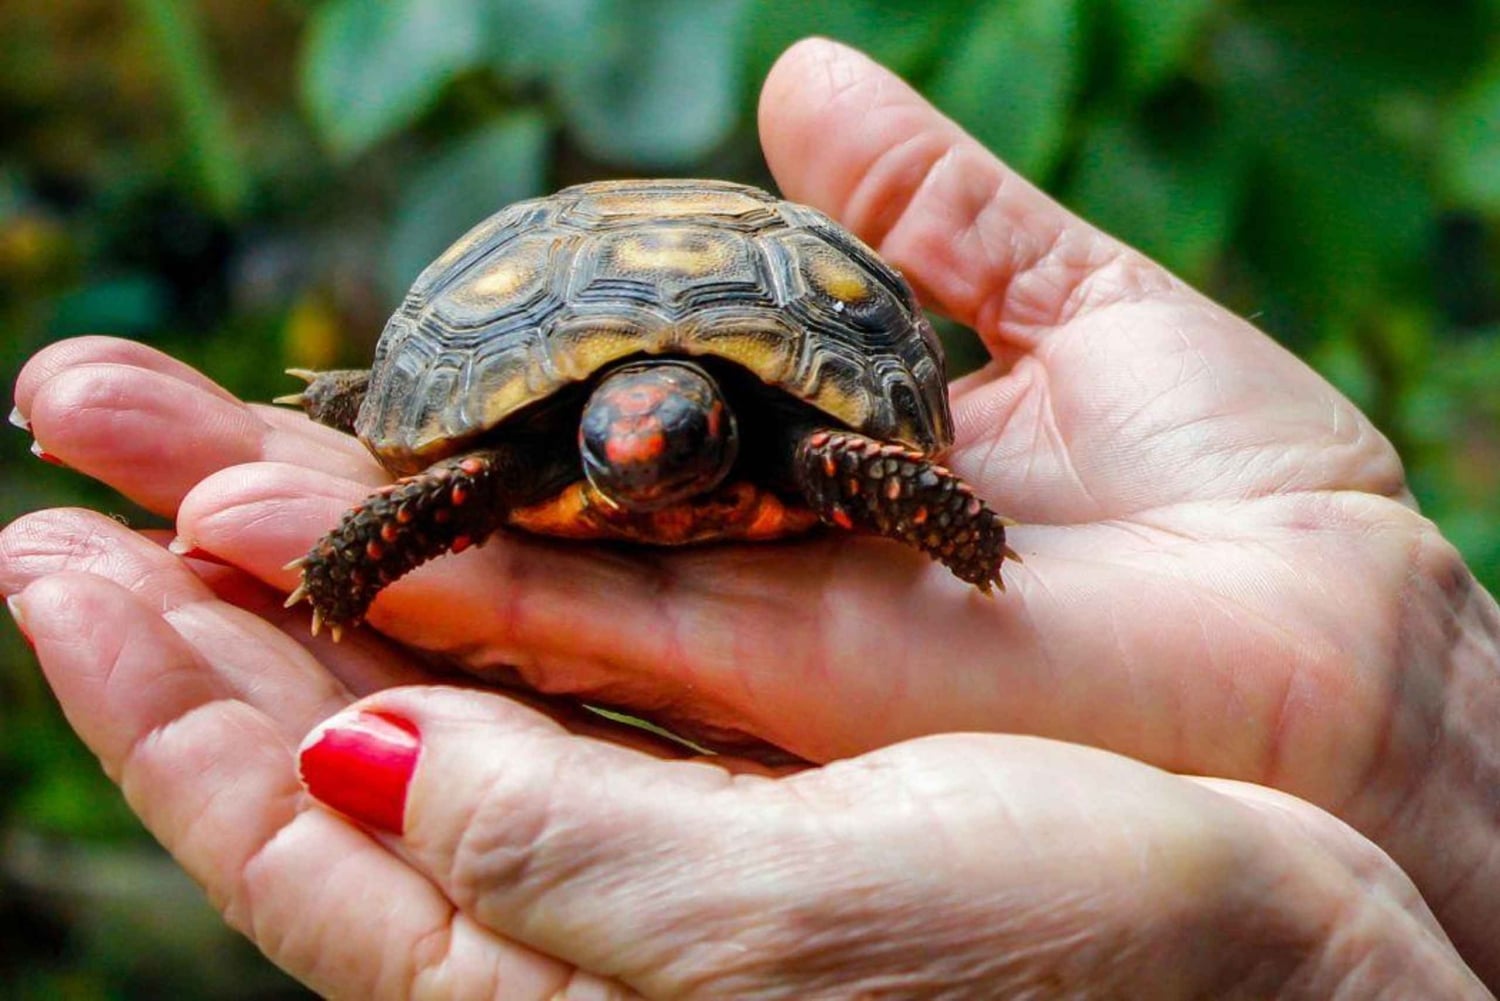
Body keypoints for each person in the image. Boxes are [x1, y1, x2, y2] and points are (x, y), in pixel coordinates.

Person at [4, 38, 1498, 998]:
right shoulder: (529, 459)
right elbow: (457, 474)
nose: (648, 474)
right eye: (624, 457)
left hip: (773, 393)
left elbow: (859, 458)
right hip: (537, 399)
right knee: (447, 483)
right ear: (589, 438)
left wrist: (955, 522)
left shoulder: (800, 450)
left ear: (721, 428)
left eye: (678, 450)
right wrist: (352, 554)